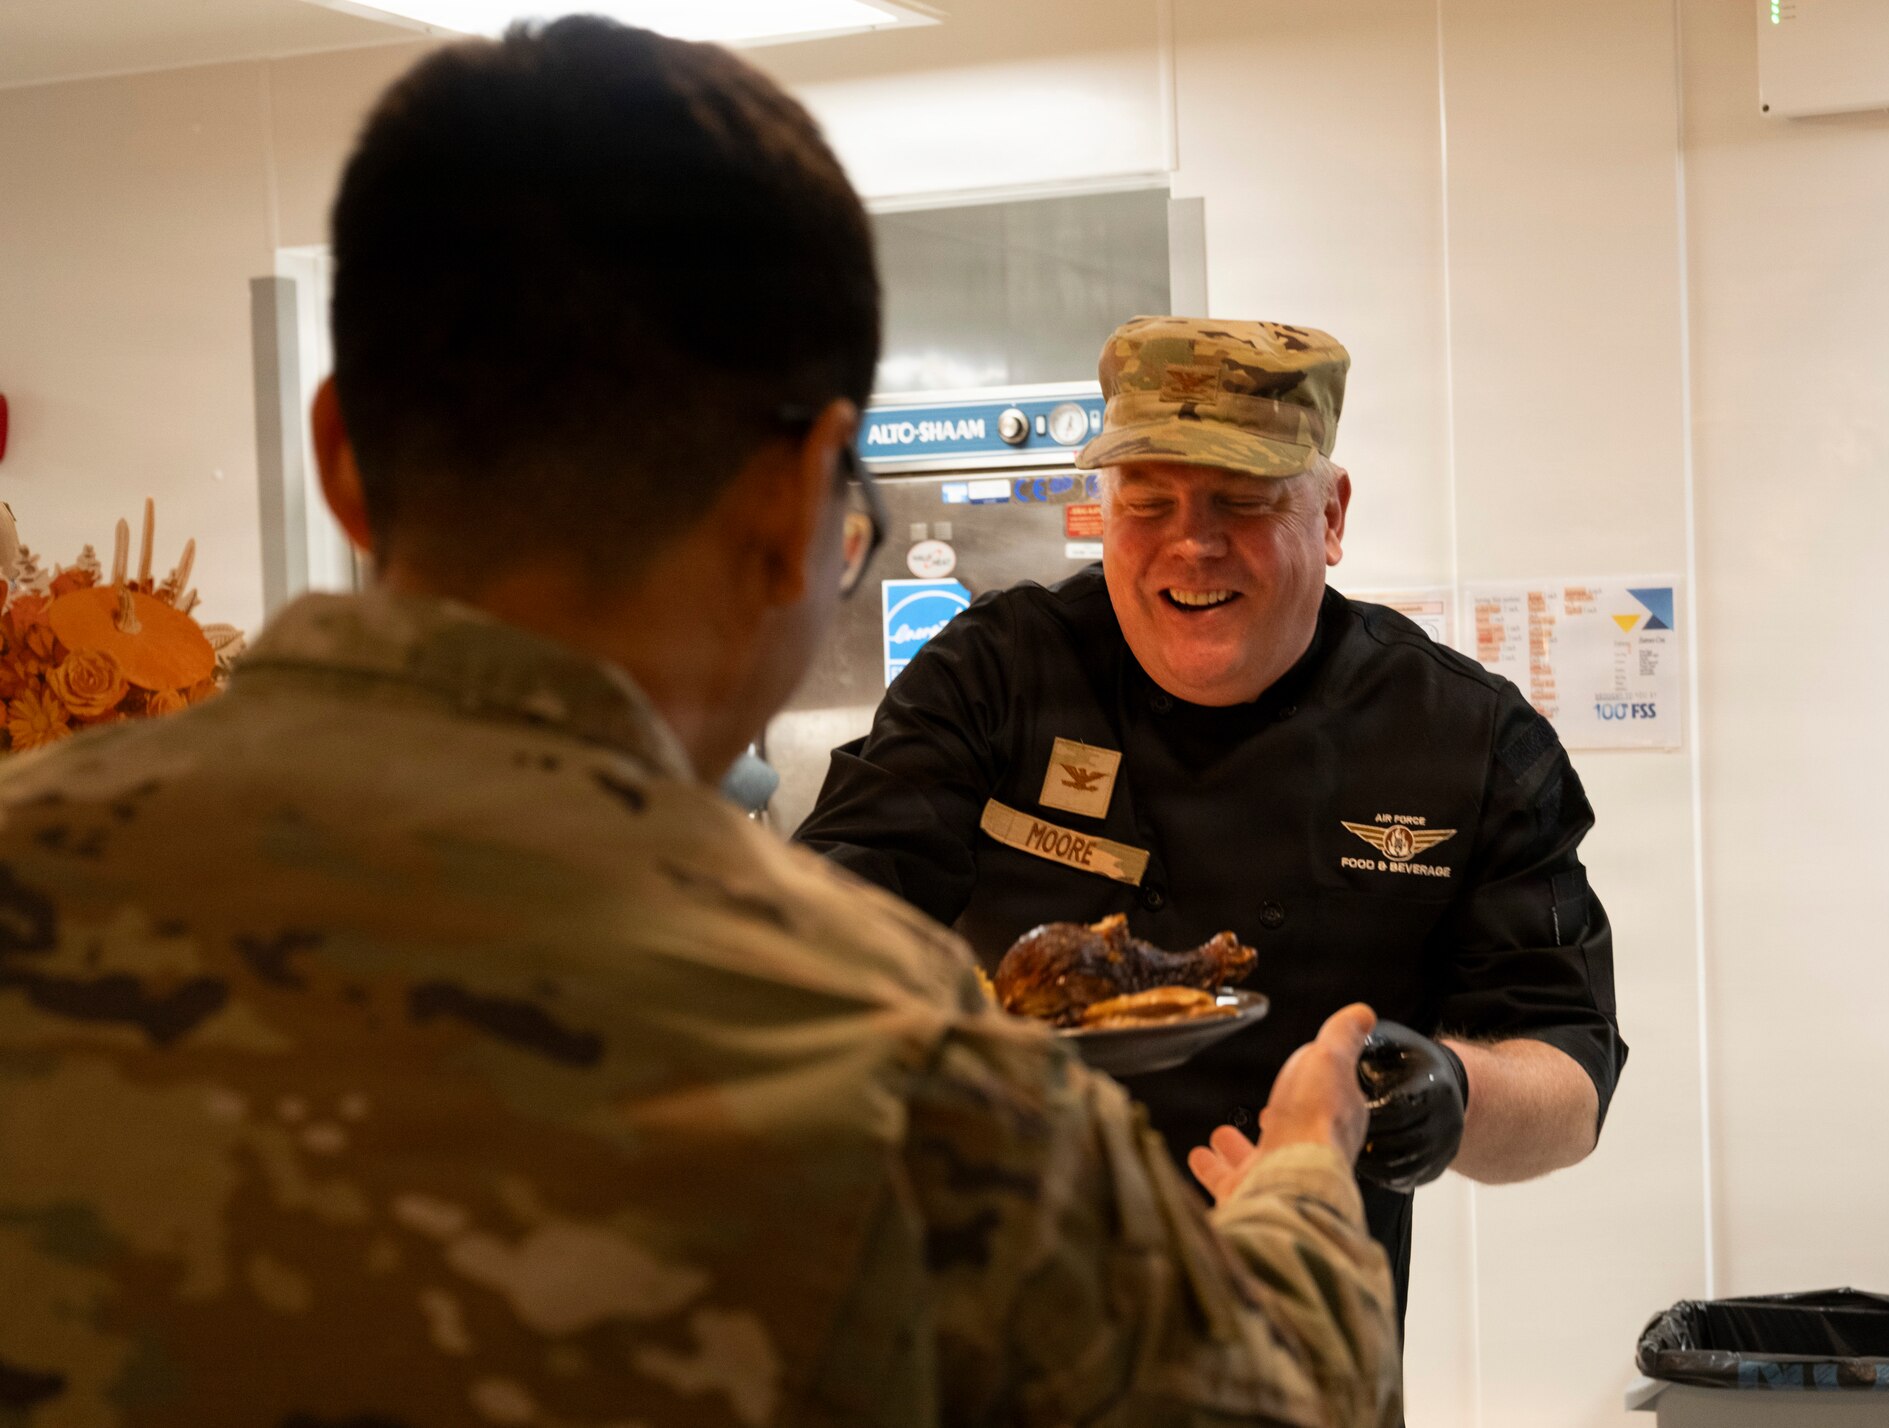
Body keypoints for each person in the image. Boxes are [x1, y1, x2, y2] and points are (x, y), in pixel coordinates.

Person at [0, 24, 1404, 1426]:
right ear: (804, 498)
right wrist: (1301, 1174)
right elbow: (1265, 1400)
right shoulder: (890, 1070)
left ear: (341, 458)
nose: (1189, 547)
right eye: (1150, 503)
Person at [797, 316, 1630, 1320]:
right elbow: (819, 928)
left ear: (1329, 515)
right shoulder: (995, 677)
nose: (1191, 544)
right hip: (998, 1303)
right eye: (1145, 501)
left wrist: (1442, 1099)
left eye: (1243, 500)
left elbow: (1568, 1078)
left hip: (1291, 1314)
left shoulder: (1462, 736)